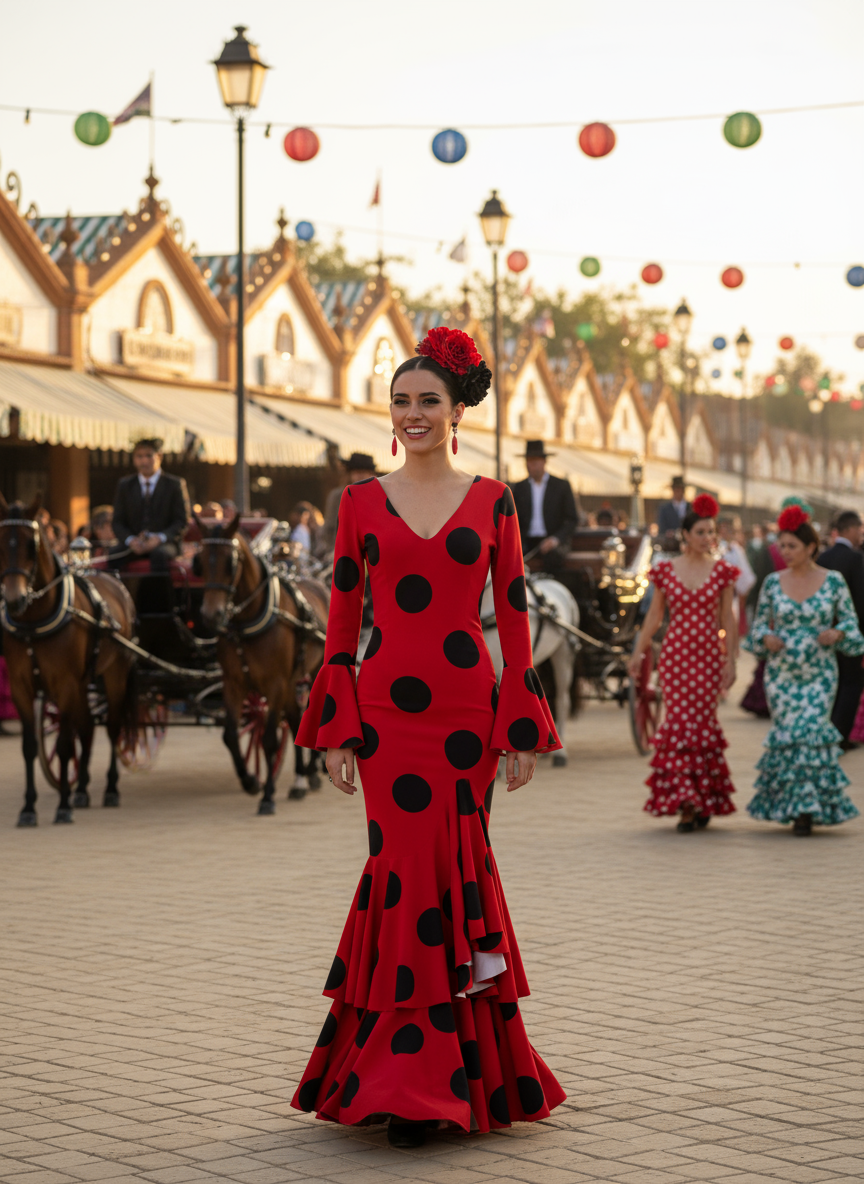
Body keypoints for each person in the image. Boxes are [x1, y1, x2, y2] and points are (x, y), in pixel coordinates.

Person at [291, 326, 565, 1145]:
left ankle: (447, 1074)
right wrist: (337, 725)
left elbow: (513, 618)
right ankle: (405, 1078)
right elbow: (342, 623)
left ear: (456, 412)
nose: (413, 414)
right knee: (400, 868)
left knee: (454, 867)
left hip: (465, 717)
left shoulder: (494, 501)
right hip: (384, 717)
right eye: (401, 402)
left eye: (428, 402)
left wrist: (520, 724)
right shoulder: (359, 503)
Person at [743, 505, 862, 834]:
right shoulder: (771, 583)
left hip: (820, 674)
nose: (785, 552)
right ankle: (795, 806)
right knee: (790, 738)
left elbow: (852, 627)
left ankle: (807, 810)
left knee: (811, 733)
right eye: (782, 546)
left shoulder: (834, 582)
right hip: (781, 677)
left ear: (811, 547)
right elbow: (755, 631)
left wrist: (837, 634)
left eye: (792, 546)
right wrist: (766, 638)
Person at [628, 494, 739, 831]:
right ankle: (686, 803)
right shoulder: (665, 569)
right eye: (702, 532)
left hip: (708, 656)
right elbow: (655, 617)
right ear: (686, 535)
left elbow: (728, 620)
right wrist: (638, 652)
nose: (708, 538)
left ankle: (702, 799)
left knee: (702, 724)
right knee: (677, 724)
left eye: (712, 532)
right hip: (675, 658)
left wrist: (731, 660)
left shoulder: (723, 571)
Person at [816, 510, 864, 747]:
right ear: (850, 529)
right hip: (848, 631)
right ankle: (840, 735)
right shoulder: (856, 559)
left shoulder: (823, 557)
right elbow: (860, 600)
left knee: (833, 683)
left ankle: (829, 730)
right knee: (852, 682)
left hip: (825, 632)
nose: (861, 535)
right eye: (860, 530)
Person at [110, 438, 190, 573]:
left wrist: (159, 538)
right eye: (139, 456)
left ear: (159, 456)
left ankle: (160, 595)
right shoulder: (125, 485)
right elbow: (117, 522)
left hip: (165, 543)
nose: (144, 461)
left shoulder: (174, 484)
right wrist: (131, 540)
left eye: (148, 455)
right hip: (135, 543)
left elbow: (181, 521)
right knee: (114, 555)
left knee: (160, 555)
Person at [510, 441, 578, 566]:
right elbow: (513, 518)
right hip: (526, 542)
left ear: (544, 462)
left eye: (535, 462)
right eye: (529, 462)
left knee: (554, 558)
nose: (531, 466)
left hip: (552, 542)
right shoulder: (519, 488)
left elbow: (572, 519)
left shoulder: (561, 486)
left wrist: (555, 539)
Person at [319, 454, 379, 555]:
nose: (361, 476)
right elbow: (329, 528)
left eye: (364, 472)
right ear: (350, 474)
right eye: (357, 472)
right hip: (341, 552)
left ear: (372, 474)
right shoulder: (337, 496)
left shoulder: (380, 496)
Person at [716, 515, 756, 638]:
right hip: (714, 595)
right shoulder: (714, 547)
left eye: (729, 528)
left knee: (729, 629)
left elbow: (746, 576)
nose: (726, 531)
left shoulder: (736, 549)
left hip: (731, 595)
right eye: (723, 528)